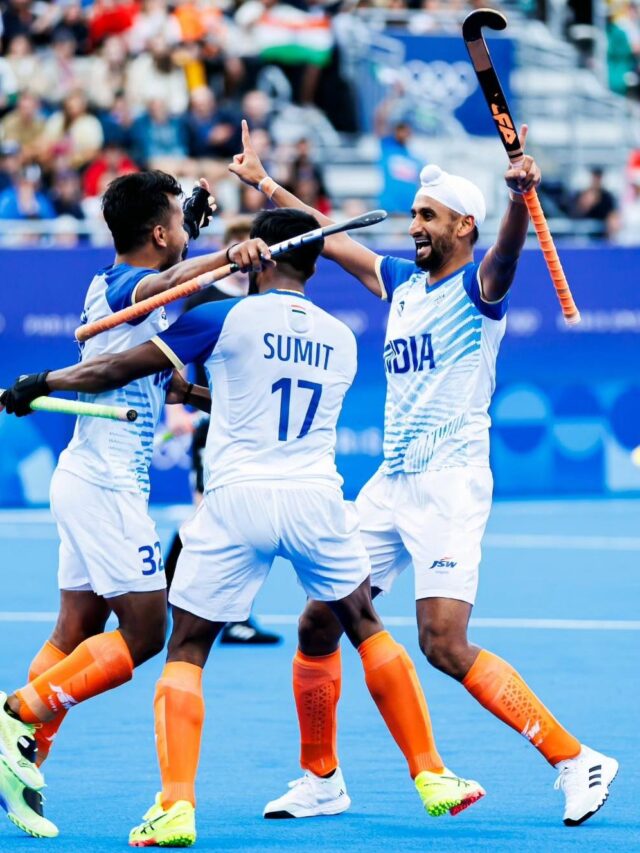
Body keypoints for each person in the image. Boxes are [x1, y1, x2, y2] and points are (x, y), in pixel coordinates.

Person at [3, 208, 486, 846]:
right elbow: (262, 396)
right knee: (366, 627)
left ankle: (174, 806)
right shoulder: (342, 338)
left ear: (261, 257)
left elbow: (120, 367)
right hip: (315, 500)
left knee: (185, 648)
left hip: (236, 503)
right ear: (312, 263)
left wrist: (43, 382)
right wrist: (197, 393)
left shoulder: (223, 317)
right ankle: (431, 773)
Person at [228, 121, 619, 827]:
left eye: (428, 216)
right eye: (413, 214)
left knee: (442, 642)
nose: (414, 225)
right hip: (391, 483)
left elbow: (506, 255)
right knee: (318, 621)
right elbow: (324, 234)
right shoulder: (402, 284)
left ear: (463, 225)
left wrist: (519, 200)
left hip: (450, 483)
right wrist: (265, 183)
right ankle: (321, 779)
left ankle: (575, 759)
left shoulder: (478, 287)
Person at [0, 169, 271, 839]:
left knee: (74, 631)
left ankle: (16, 767)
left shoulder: (117, 282)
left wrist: (194, 228)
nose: (184, 229)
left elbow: (169, 292)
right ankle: (14, 716)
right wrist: (228, 252)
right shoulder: (129, 285)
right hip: (106, 485)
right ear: (156, 232)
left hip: (88, 478)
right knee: (148, 632)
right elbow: (160, 281)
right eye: (177, 220)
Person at [163, 215, 282, 646]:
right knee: (208, 519)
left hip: (251, 429)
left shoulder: (264, 301)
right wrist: (175, 412)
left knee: (234, 522)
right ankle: (187, 602)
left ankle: (210, 608)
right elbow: (174, 356)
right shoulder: (205, 300)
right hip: (211, 424)